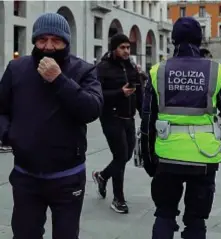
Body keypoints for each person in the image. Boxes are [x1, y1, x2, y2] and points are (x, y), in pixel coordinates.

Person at [0, 13, 103, 238]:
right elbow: (2, 109)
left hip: (67, 176)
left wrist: (59, 80)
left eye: (56, 40)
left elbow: (92, 110)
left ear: (66, 41)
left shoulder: (83, 70)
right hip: (26, 175)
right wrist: (9, 135)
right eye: (42, 40)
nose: (48, 46)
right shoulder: (16, 69)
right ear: (34, 41)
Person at [140, 17, 221, 239]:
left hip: (167, 156)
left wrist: (148, 159)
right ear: (200, 40)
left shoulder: (158, 71)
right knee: (196, 221)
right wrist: (217, 126)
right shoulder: (216, 71)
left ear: (173, 40)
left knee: (164, 214)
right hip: (204, 157)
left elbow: (147, 119)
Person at [92, 33, 143, 214]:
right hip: (110, 118)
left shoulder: (131, 67)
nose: (126, 51)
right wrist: (119, 93)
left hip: (128, 117)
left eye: (128, 47)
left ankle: (102, 176)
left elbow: (138, 91)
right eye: (122, 47)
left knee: (127, 155)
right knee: (121, 156)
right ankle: (118, 199)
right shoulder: (102, 68)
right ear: (114, 49)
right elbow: (97, 94)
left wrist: (144, 114)